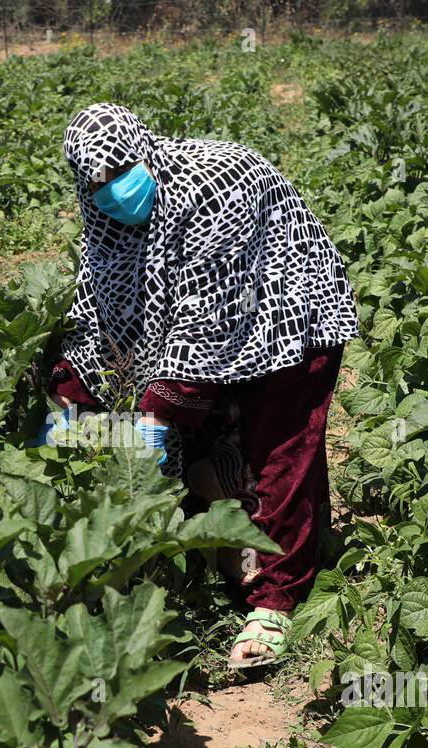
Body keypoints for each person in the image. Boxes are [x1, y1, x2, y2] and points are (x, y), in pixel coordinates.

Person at [40, 103, 358, 668]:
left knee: (279, 450)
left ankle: (276, 602)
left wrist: (156, 415)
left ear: (143, 151)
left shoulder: (215, 184)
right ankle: (265, 549)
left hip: (288, 313)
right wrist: (73, 390)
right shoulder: (108, 219)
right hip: (215, 334)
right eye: (98, 182)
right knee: (215, 450)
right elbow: (101, 303)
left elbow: (208, 311)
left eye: (120, 172)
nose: (113, 190)